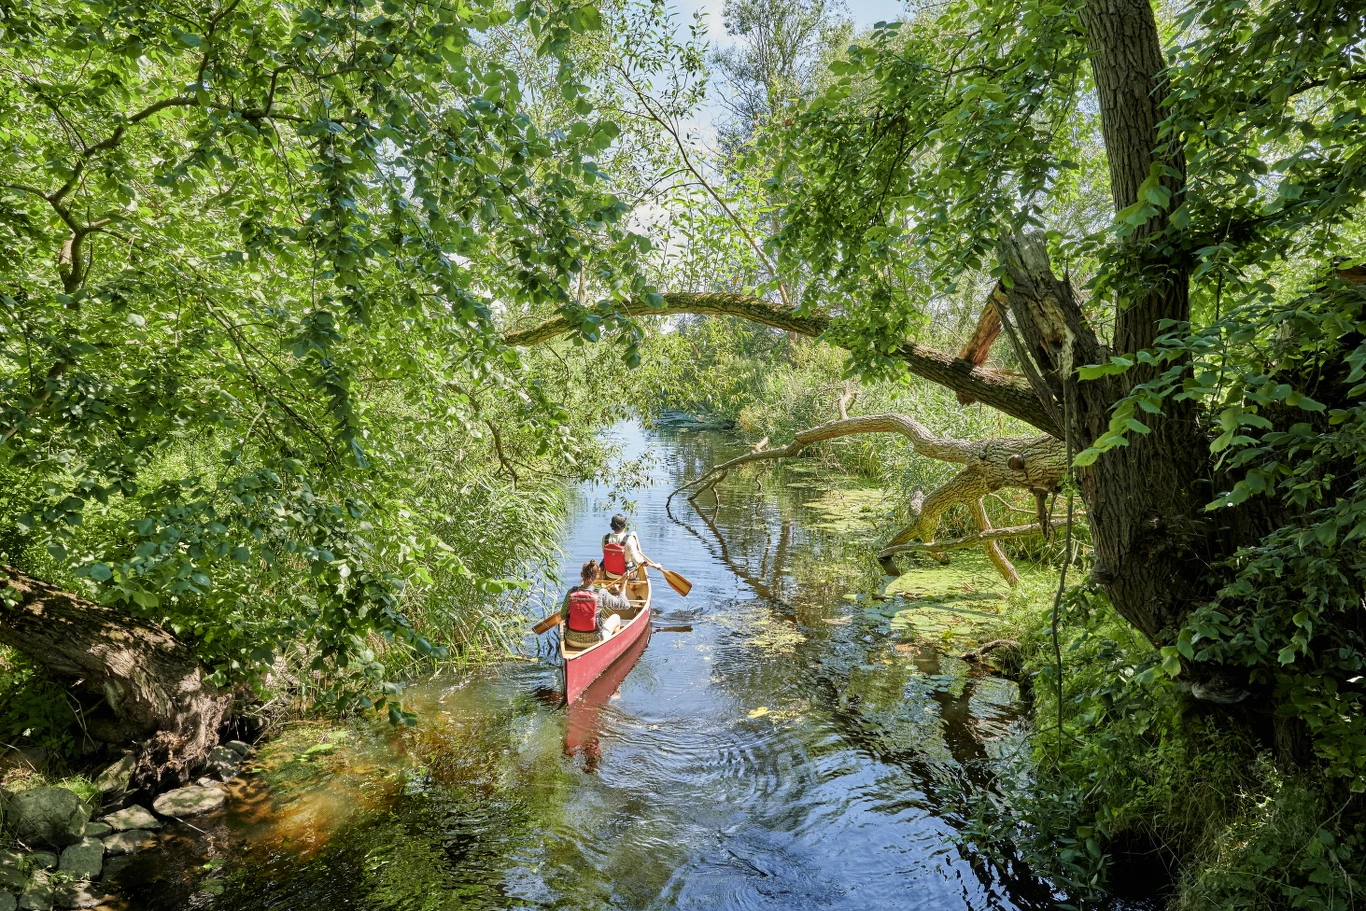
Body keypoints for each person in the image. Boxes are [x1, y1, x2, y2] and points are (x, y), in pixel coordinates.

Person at [560, 560, 630, 649]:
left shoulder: (571, 592)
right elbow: (625, 605)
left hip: (571, 641)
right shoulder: (601, 593)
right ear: (596, 577)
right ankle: (613, 648)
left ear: (581, 575)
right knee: (616, 617)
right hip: (595, 642)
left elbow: (562, 616)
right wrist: (623, 584)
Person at [601, 514, 660, 581]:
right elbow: (639, 562)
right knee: (636, 562)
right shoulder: (630, 540)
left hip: (609, 574)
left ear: (612, 525)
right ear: (624, 525)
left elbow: (606, 553)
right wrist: (655, 565)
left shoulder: (605, 538)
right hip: (627, 576)